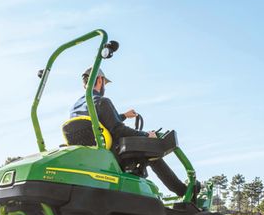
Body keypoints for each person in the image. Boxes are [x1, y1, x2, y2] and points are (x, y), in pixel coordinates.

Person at [70, 67, 189, 197]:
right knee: (153, 156)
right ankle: (184, 192)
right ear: (99, 80)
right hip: (112, 154)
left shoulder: (75, 107)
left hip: (90, 156)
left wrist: (124, 115)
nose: (104, 86)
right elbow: (118, 130)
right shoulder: (102, 101)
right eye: (104, 83)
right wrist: (147, 135)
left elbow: (99, 121)